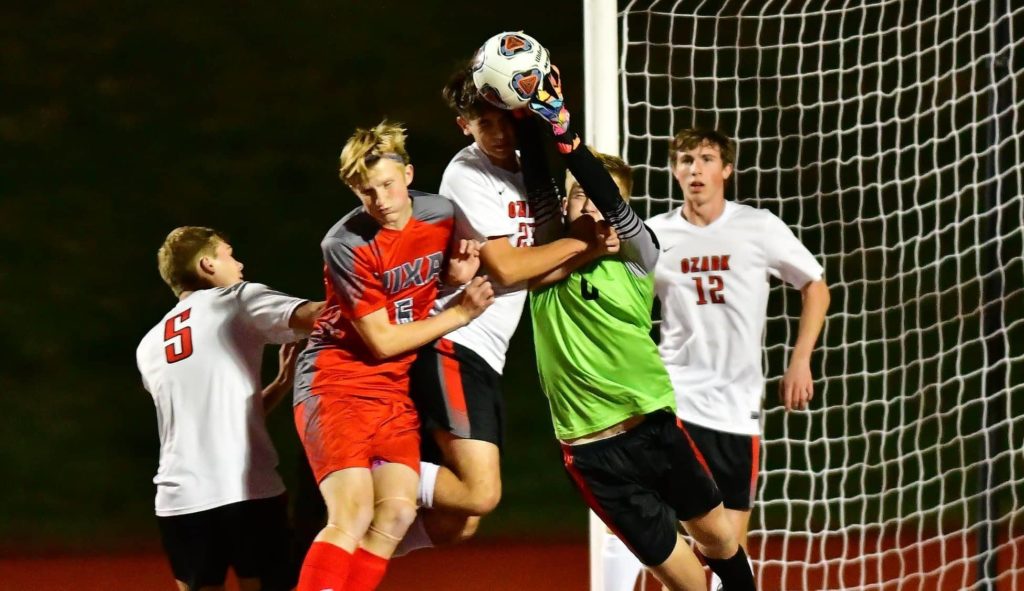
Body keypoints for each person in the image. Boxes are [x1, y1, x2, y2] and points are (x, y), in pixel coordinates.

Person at [522, 68, 757, 591]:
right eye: (575, 195)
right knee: (687, 583)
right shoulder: (545, 258)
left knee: (719, 539)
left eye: (595, 196)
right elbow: (538, 185)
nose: (584, 203)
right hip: (592, 453)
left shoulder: (637, 252)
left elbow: (607, 198)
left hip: (653, 428)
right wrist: (523, 116)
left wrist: (562, 129)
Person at [599, 128, 831, 591]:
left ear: (726, 170)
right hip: (671, 398)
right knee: (638, 526)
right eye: (685, 160)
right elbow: (615, 291)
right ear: (673, 171)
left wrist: (800, 360)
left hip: (734, 407)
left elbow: (815, 286)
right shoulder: (656, 235)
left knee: (726, 550)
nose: (695, 169)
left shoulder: (758, 227)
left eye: (706, 159)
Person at [398, 64, 599, 553]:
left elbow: (537, 274)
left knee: (455, 524)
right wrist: (580, 242)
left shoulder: (531, 172)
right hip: (450, 343)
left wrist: (589, 249)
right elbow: (508, 269)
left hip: (485, 357)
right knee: (481, 493)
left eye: (505, 117)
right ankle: (374, 467)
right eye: (484, 122)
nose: (500, 131)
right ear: (464, 125)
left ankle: (349, 552)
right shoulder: (467, 173)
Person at [291, 120, 494, 591]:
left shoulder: (440, 213)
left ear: (408, 174)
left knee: (400, 511)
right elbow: (381, 340)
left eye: (386, 184)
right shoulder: (345, 244)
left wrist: (453, 278)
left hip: (391, 389)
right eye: (366, 192)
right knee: (353, 511)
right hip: (335, 383)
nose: (380, 200)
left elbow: (414, 289)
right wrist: (461, 312)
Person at [136, 226, 325, 591]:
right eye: (229, 253)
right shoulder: (235, 298)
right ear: (207, 264)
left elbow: (213, 417)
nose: (238, 264)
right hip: (246, 490)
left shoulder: (148, 346)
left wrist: (280, 384)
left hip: (179, 498)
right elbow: (318, 316)